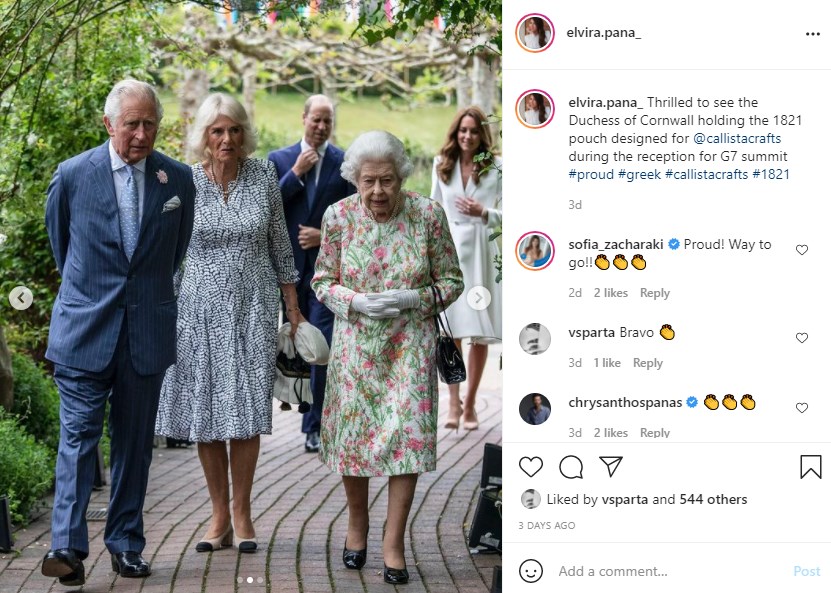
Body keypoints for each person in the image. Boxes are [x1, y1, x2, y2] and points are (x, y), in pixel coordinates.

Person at [41, 79, 195, 586]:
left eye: (151, 124)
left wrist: (142, 298)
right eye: (132, 124)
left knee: (134, 444)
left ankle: (126, 544)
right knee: (78, 437)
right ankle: (66, 546)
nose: (142, 134)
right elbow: (63, 247)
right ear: (109, 124)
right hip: (85, 330)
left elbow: (174, 255)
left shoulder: (177, 180)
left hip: (145, 331)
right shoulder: (72, 175)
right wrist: (92, 296)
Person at [312, 131, 463, 584]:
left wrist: (413, 298)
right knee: (355, 440)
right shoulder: (338, 217)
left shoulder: (427, 215)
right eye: (368, 181)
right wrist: (354, 301)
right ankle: (357, 525)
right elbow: (322, 282)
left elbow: (452, 281)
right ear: (354, 179)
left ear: (401, 176)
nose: (378, 191)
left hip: (409, 349)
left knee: (408, 441)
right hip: (356, 349)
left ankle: (393, 542)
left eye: (387, 180)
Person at [156, 93, 303, 555]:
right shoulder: (184, 180)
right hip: (197, 311)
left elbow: (280, 242)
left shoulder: (264, 174)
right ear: (205, 135)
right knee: (206, 411)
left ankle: (243, 513)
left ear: (245, 134)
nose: (227, 139)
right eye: (218, 130)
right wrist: (161, 307)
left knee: (245, 410)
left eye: (235, 130)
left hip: (253, 308)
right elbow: (169, 250)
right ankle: (218, 514)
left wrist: (293, 307)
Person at [267, 95, 355, 454]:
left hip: (326, 273)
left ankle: (314, 426)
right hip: (287, 274)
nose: (321, 127)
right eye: (316, 119)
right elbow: (267, 207)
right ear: (303, 118)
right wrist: (296, 173)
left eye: (327, 121)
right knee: (294, 347)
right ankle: (297, 411)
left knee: (320, 346)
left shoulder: (344, 162)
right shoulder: (279, 160)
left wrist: (324, 235)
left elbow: (354, 215)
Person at [430, 106, 502, 432]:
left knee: (479, 333)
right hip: (450, 254)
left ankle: (471, 403)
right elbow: (434, 210)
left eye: (473, 131)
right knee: (451, 331)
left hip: (482, 255)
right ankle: (454, 402)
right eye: (463, 130)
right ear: (455, 133)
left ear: (481, 134)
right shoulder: (441, 165)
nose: (468, 136)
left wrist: (483, 211)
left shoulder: (497, 168)